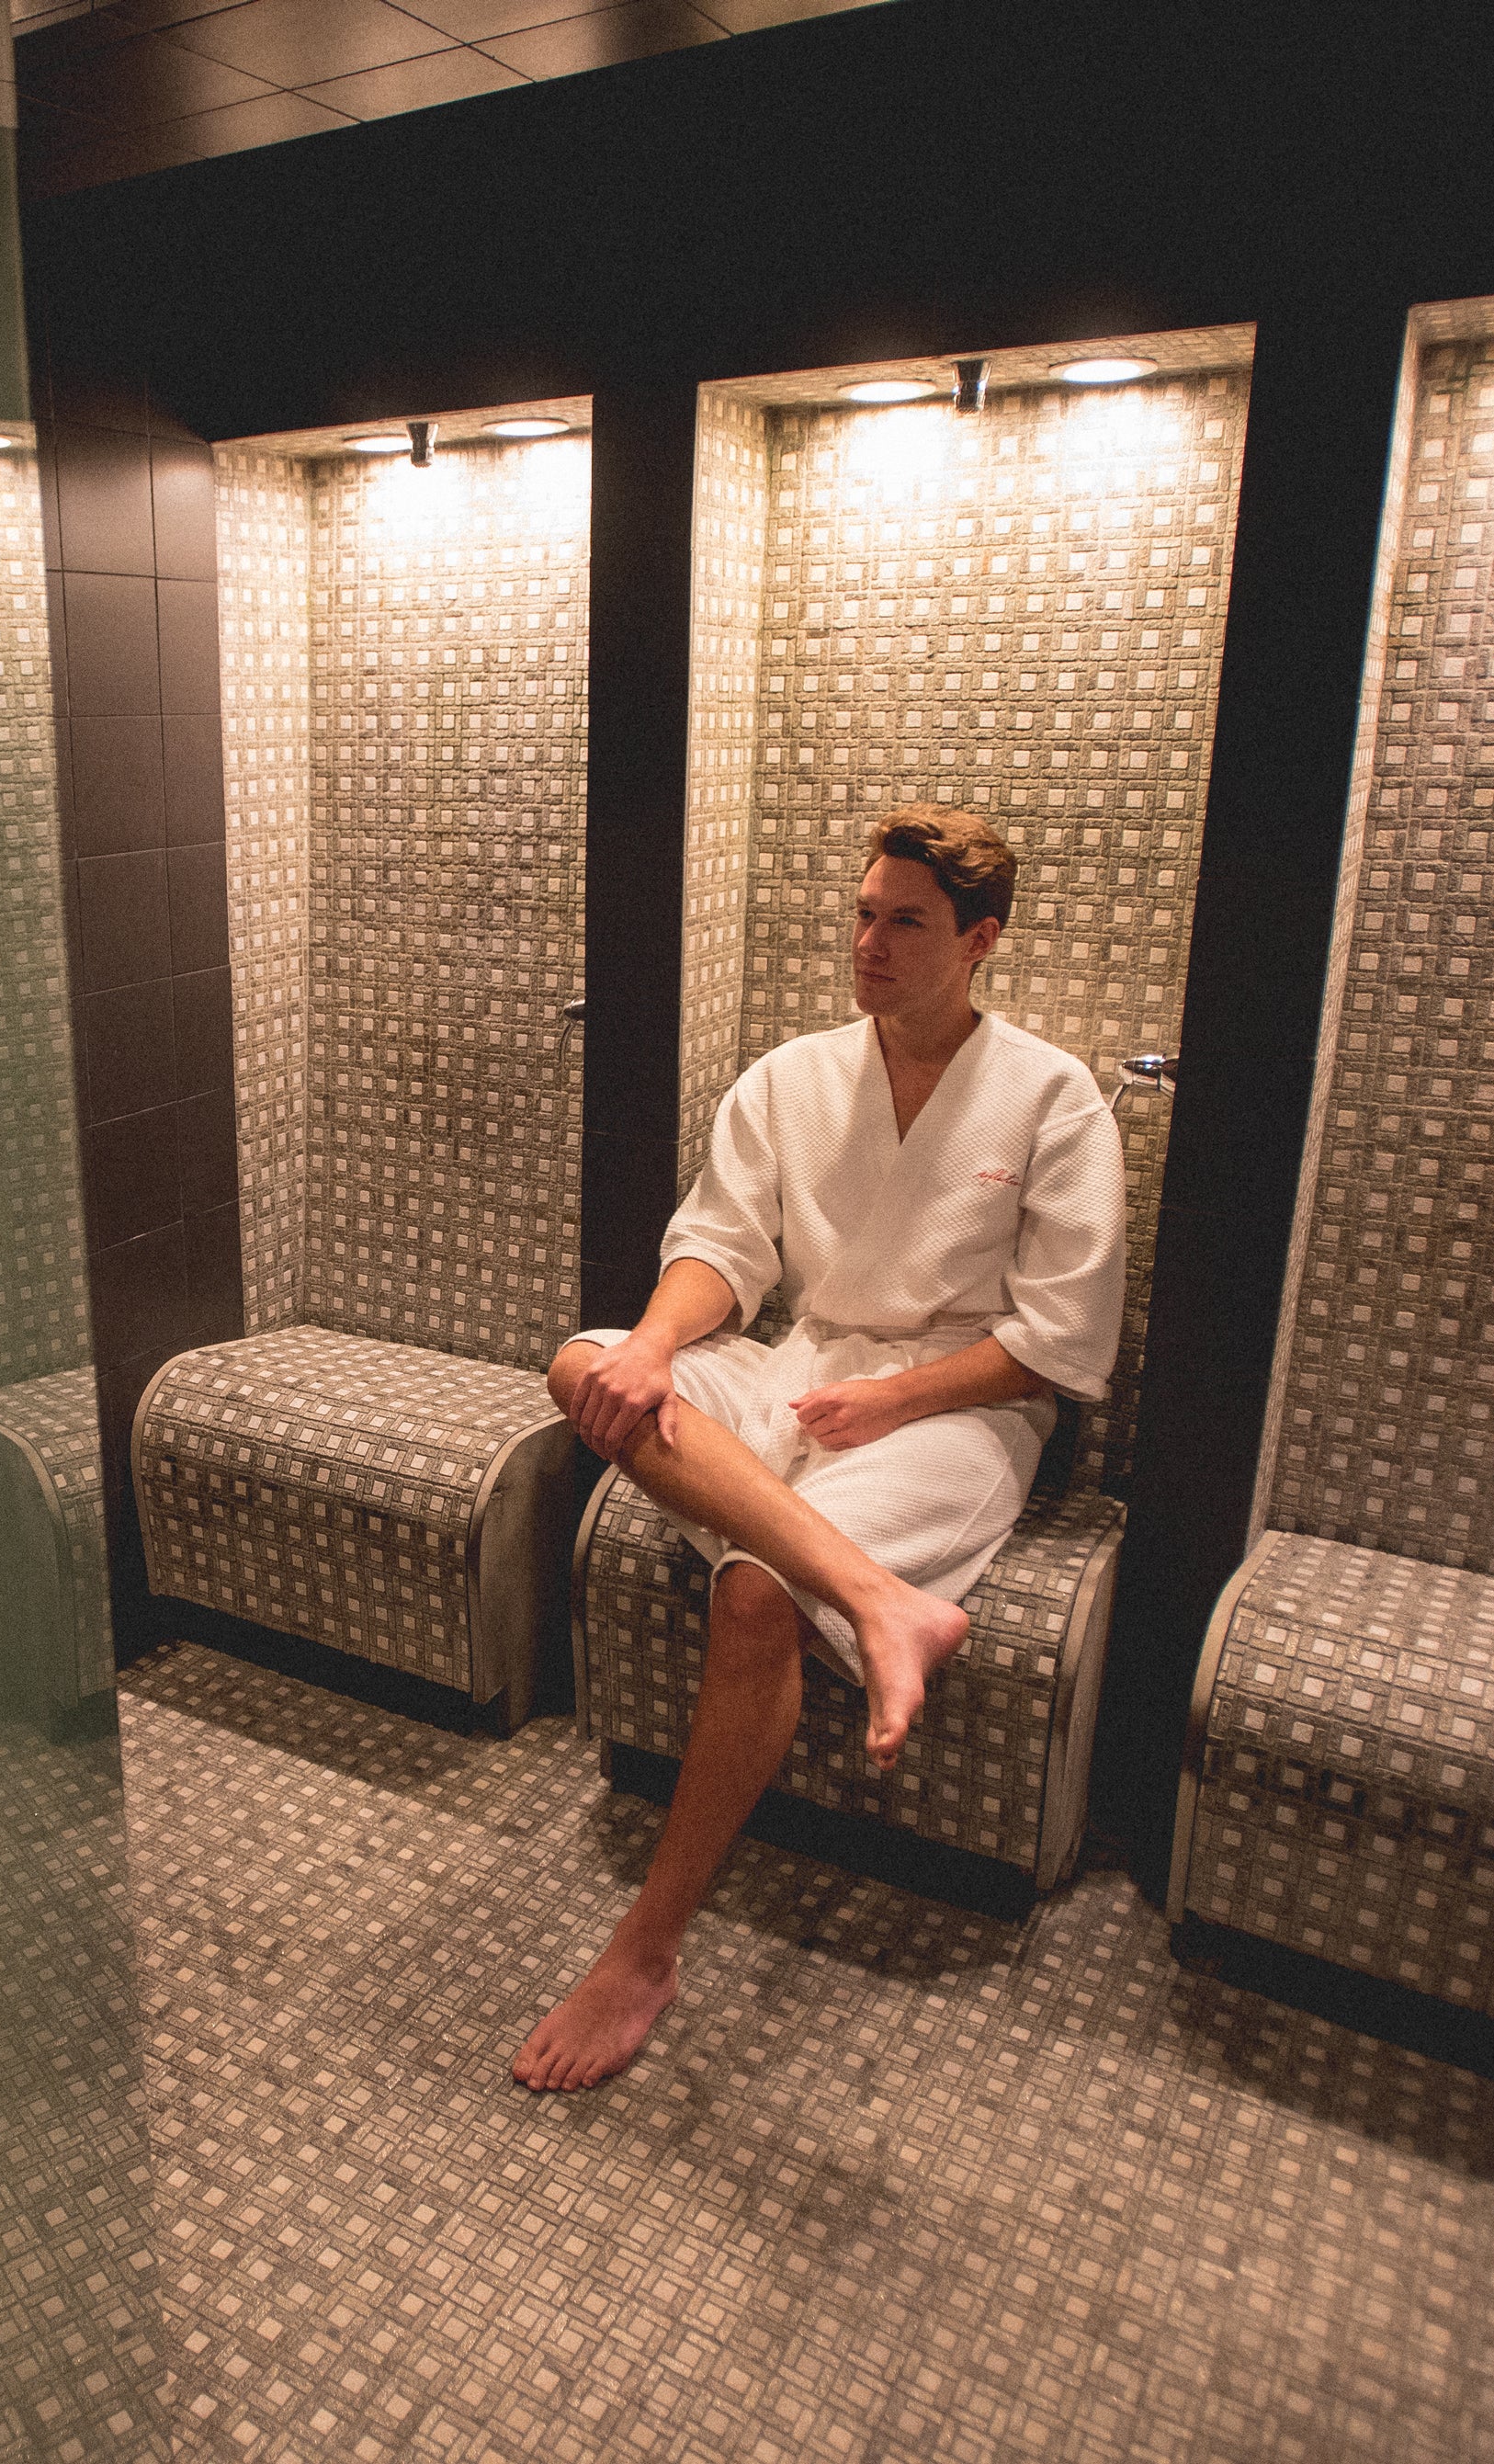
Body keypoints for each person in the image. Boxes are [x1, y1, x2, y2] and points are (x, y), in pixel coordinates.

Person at [518, 807, 1126, 2093]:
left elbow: (1062, 1342)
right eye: (862, 913)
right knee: (583, 1362)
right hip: (808, 1370)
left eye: (905, 920)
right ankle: (878, 1598)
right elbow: (722, 1255)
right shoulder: (791, 1078)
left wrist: (904, 1397)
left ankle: (646, 1949)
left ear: (980, 940)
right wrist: (650, 1344)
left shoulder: (1051, 1096)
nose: (870, 941)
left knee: (754, 1594)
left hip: (964, 1416)